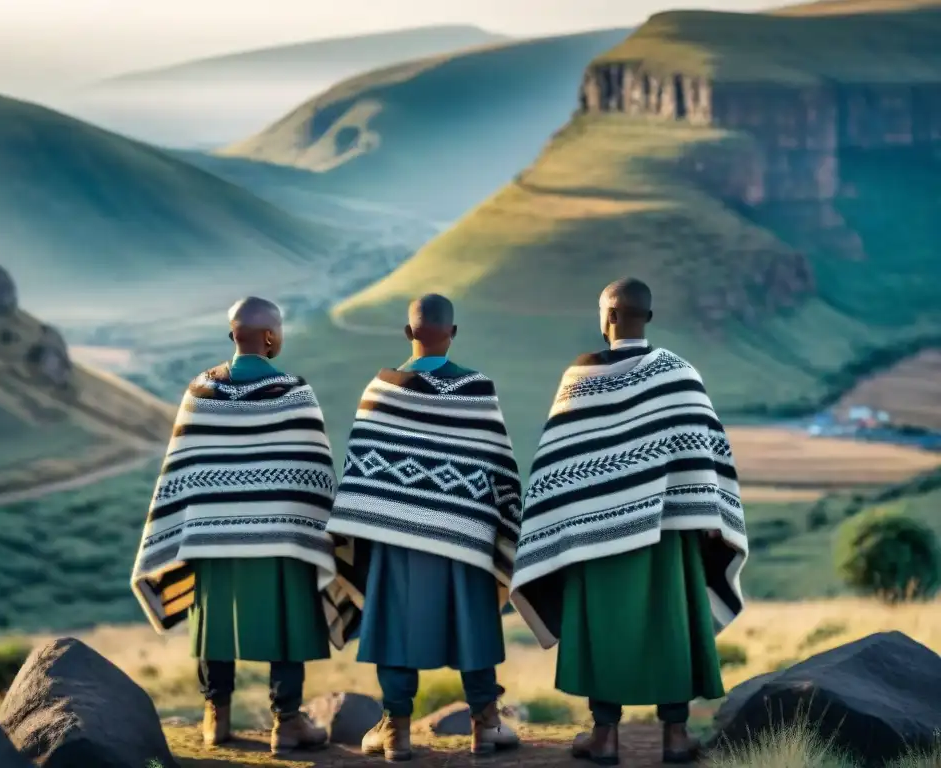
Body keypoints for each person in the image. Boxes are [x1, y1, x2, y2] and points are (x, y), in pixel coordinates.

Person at [509, 278, 749, 766]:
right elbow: (705, 454)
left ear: (608, 317)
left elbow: (558, 465)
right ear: (649, 318)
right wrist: (705, 513)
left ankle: (606, 738)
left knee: (603, 627)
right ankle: (676, 737)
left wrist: (564, 522)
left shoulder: (579, 379)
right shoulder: (680, 375)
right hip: (669, 532)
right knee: (673, 621)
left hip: (596, 538)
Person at [130, 297, 358, 754]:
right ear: (270, 337)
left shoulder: (200, 391)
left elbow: (183, 470)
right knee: (290, 624)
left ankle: (217, 718)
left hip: (213, 541)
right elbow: (313, 472)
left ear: (233, 334)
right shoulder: (294, 393)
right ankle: (287, 723)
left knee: (213, 624)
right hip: (284, 539)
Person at [326, 294, 526, 762]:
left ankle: (396, 731)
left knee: (394, 624)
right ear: (452, 333)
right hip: (469, 538)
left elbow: (361, 473)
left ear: (408, 333)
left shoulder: (381, 391)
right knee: (475, 621)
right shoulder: (478, 390)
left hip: (398, 537)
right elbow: (501, 470)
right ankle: (486, 725)